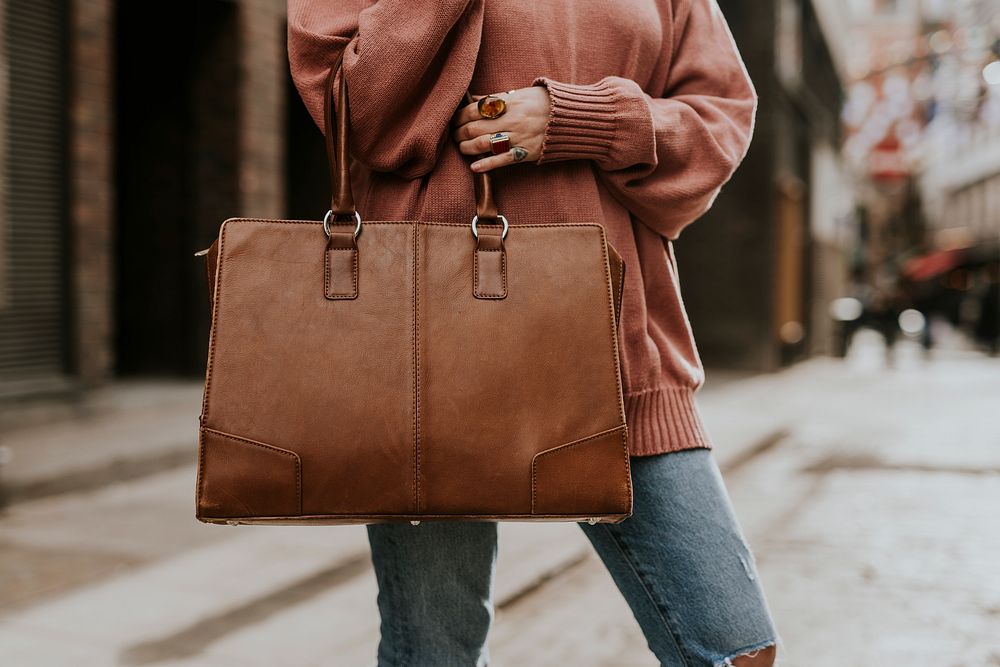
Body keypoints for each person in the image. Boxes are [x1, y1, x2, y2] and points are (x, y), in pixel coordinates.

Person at [287, 1, 780, 665]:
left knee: (735, 648)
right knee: (437, 653)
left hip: (618, 347)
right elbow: (359, 116)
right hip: (426, 360)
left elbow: (720, 118)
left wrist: (588, 120)